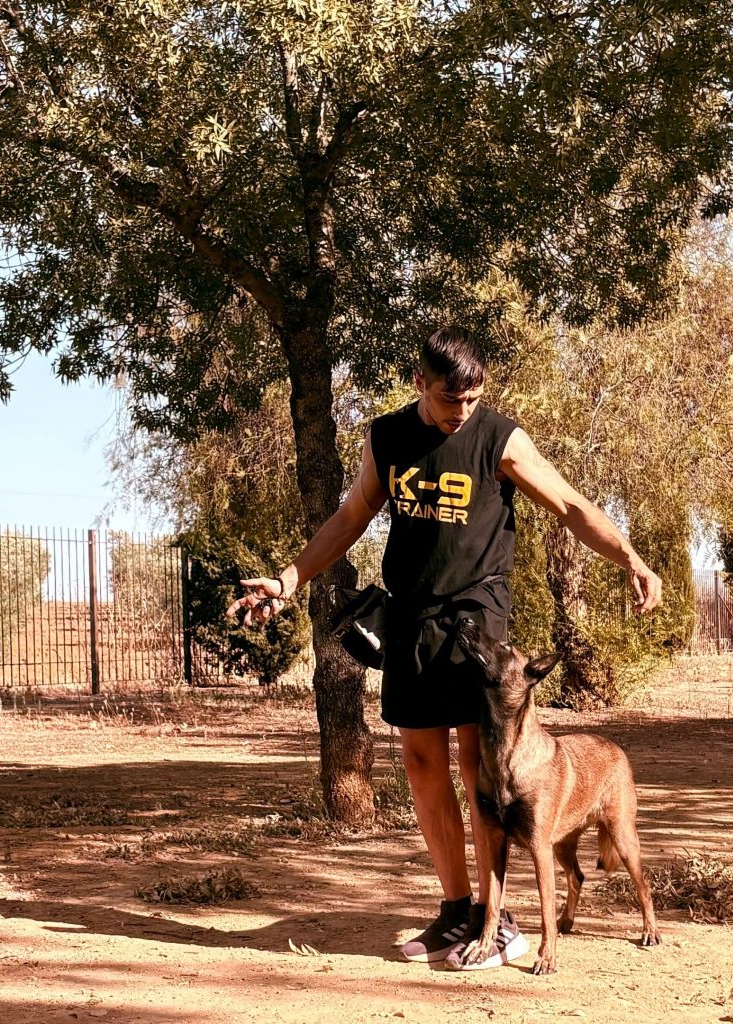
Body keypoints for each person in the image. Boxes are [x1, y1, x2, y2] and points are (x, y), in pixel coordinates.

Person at [226, 326, 662, 970]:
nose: (462, 410)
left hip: (475, 614)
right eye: (449, 398)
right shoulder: (388, 437)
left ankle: (496, 916)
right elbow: (350, 518)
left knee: (476, 763)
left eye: (472, 398)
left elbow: (570, 504)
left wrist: (630, 558)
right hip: (411, 613)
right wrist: (291, 578)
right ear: (419, 384)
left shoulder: (499, 438)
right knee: (420, 759)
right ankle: (457, 909)